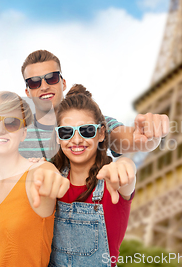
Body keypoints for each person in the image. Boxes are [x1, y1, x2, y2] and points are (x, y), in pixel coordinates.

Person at [0, 91, 70, 266]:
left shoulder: (37, 172)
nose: (0, 129)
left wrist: (52, 179)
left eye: (11, 123)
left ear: (24, 133)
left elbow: (48, 175)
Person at [20, 50, 169, 160]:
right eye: (34, 82)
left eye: (51, 78)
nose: (44, 86)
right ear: (27, 91)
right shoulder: (15, 133)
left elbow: (121, 138)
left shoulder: (93, 122)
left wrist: (147, 137)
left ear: (63, 83)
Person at [48, 84, 137, 267]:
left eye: (86, 130)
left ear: (101, 133)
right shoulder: (52, 180)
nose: (77, 140)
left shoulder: (113, 183)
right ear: (58, 137)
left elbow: (126, 177)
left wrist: (126, 164)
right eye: (66, 132)